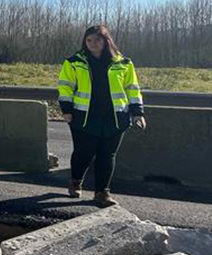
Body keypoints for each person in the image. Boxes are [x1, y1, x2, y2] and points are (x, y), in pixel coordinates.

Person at [57, 24, 146, 207]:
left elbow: (132, 89)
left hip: (115, 117)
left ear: (106, 41)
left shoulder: (124, 63)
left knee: (107, 155)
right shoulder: (74, 62)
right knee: (84, 153)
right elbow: (65, 86)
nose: (92, 44)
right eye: (89, 40)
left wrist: (137, 113)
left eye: (97, 40)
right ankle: (75, 181)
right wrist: (66, 110)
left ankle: (102, 193)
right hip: (84, 117)